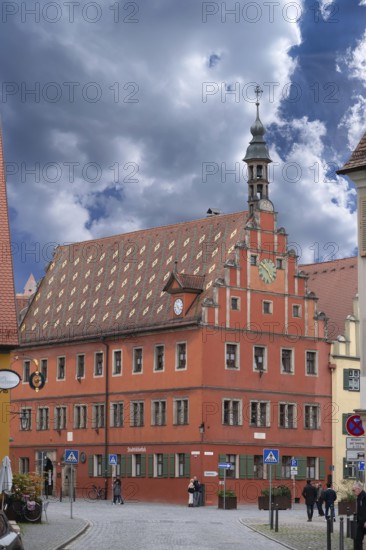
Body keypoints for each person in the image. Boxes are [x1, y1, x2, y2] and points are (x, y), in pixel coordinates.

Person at [352, 481, 366, 550]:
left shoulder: (364, 497)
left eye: (354, 490)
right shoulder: (359, 497)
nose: (353, 492)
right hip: (360, 522)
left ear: (358, 489)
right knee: (357, 539)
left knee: (357, 540)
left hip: (364, 522)